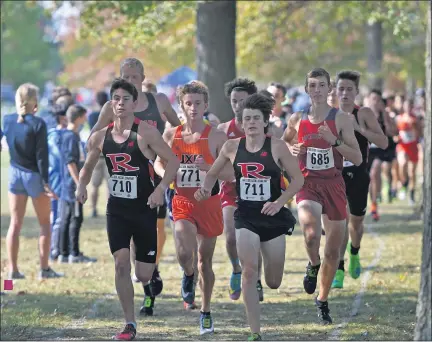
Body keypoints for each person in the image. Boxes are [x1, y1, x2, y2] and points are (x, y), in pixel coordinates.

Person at [76, 78, 180, 341]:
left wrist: (160, 190)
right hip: (117, 210)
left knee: (142, 272)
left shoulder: (146, 132)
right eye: (116, 99)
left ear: (135, 103)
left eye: (125, 99)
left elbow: (173, 161)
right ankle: (129, 323)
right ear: (111, 103)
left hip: (145, 208)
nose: (120, 103)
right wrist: (81, 186)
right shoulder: (101, 136)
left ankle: (151, 273)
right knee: (121, 264)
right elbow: (87, 167)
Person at [195, 93, 303, 341]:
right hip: (245, 215)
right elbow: (212, 173)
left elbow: (298, 179)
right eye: (247, 119)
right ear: (241, 123)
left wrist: (279, 203)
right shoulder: (232, 146)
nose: (252, 122)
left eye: (256, 118)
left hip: (273, 216)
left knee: (274, 281)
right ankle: (255, 333)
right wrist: (205, 188)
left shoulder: (277, 146)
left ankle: (265, 277)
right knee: (249, 271)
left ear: (265, 121)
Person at [283, 68, 362, 324]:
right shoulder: (297, 119)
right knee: (310, 231)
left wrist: (335, 142)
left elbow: (358, 158)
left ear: (330, 89)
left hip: (334, 185)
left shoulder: (342, 120)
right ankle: (311, 263)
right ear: (307, 89)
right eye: (312, 85)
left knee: (333, 251)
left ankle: (323, 298)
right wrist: (291, 148)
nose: (316, 90)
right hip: (308, 184)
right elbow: (282, 144)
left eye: (321, 85)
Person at [154, 81, 233, 335]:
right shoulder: (172, 135)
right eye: (188, 103)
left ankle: (206, 310)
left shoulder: (217, 136)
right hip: (183, 201)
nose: (193, 108)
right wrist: (168, 176)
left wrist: (207, 168)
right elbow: (158, 163)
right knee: (184, 254)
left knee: (204, 261)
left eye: (198, 103)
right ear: (181, 106)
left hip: (209, 203)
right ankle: (187, 275)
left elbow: (232, 173)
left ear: (206, 105)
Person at [331, 71, 388, 289]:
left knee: (356, 223)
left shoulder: (363, 113)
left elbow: (383, 142)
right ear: (335, 90)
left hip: (358, 174)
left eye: (349, 89)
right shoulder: (329, 114)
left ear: (356, 92)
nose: (344, 93)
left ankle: (354, 252)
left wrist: (359, 129)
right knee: (340, 223)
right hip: (335, 176)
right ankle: (339, 268)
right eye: (341, 88)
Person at [2, 83, 63, 279]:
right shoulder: (38, 123)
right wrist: (46, 182)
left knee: (15, 223)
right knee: (45, 223)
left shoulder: (7, 120)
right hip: (34, 176)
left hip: (14, 174)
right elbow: (41, 156)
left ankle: (12, 271)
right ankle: (44, 269)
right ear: (35, 102)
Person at [217, 77, 267, 302]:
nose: (238, 105)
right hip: (230, 190)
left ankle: (255, 279)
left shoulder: (262, 128)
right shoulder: (222, 130)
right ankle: (237, 269)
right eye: (234, 101)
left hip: (256, 190)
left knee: (254, 240)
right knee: (230, 237)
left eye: (242, 101)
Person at [56, 105, 96, 263]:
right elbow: (70, 163)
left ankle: (63, 253)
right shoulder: (71, 136)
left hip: (68, 184)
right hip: (72, 185)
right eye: (84, 116)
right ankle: (73, 252)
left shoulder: (72, 135)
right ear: (79, 117)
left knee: (67, 218)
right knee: (75, 218)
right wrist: (79, 184)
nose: (86, 119)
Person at [366, 90, 398, 220]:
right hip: (367, 151)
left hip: (381, 150)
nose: (375, 102)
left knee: (375, 172)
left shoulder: (384, 114)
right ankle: (373, 199)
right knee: (367, 179)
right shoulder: (362, 114)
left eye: (378, 100)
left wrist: (384, 118)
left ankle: (374, 205)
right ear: (368, 100)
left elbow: (392, 132)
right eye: (373, 99)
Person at [88, 91, 110, 218]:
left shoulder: (93, 116)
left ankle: (94, 209)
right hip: (108, 153)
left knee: (95, 185)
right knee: (109, 185)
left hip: (96, 154)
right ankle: (109, 209)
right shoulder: (110, 116)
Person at [395, 98, 421, 205]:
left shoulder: (415, 119)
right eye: (406, 106)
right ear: (403, 107)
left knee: (412, 172)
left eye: (410, 106)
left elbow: (419, 134)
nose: (408, 108)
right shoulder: (399, 118)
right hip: (403, 146)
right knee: (403, 164)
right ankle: (403, 184)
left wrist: (414, 126)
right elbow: (395, 132)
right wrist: (396, 137)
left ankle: (411, 194)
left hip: (413, 147)